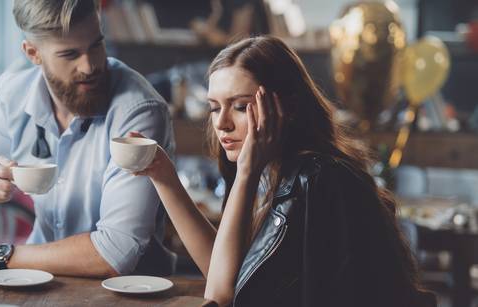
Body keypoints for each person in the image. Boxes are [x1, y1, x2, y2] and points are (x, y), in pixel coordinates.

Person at [130, 36, 436, 306]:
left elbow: (221, 294)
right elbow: (228, 268)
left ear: (285, 109)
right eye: (214, 107)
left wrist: (247, 172)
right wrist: (164, 176)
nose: (221, 123)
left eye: (239, 106)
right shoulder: (282, 172)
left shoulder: (315, 180)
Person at [0, 0, 175, 277]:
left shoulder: (138, 111)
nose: (89, 66)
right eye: (69, 54)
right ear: (33, 53)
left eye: (96, 45)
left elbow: (116, 252)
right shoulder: (13, 96)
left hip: (129, 292)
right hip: (38, 284)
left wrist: (3, 258)